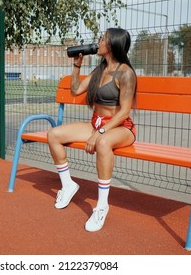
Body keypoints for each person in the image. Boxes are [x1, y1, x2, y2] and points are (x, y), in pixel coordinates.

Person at [47, 28, 137, 232]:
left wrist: (100, 132)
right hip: (96, 124)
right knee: (53, 134)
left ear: (113, 44)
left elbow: (124, 113)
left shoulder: (126, 73)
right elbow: (76, 89)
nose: (98, 41)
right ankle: (68, 184)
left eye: (103, 38)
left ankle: (102, 205)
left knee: (103, 143)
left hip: (120, 127)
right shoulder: (100, 70)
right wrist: (76, 66)